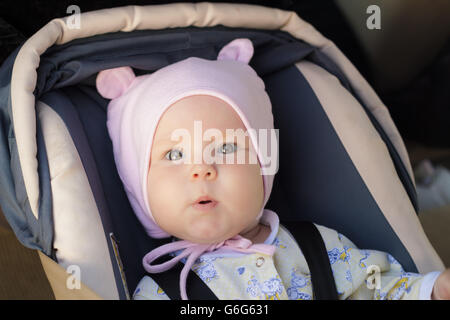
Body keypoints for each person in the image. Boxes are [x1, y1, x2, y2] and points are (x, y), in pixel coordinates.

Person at [96, 38, 450, 300]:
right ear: (139, 187)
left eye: (227, 148)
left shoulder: (318, 245)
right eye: (174, 156)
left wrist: (432, 290)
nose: (201, 170)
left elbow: (381, 290)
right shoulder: (161, 292)